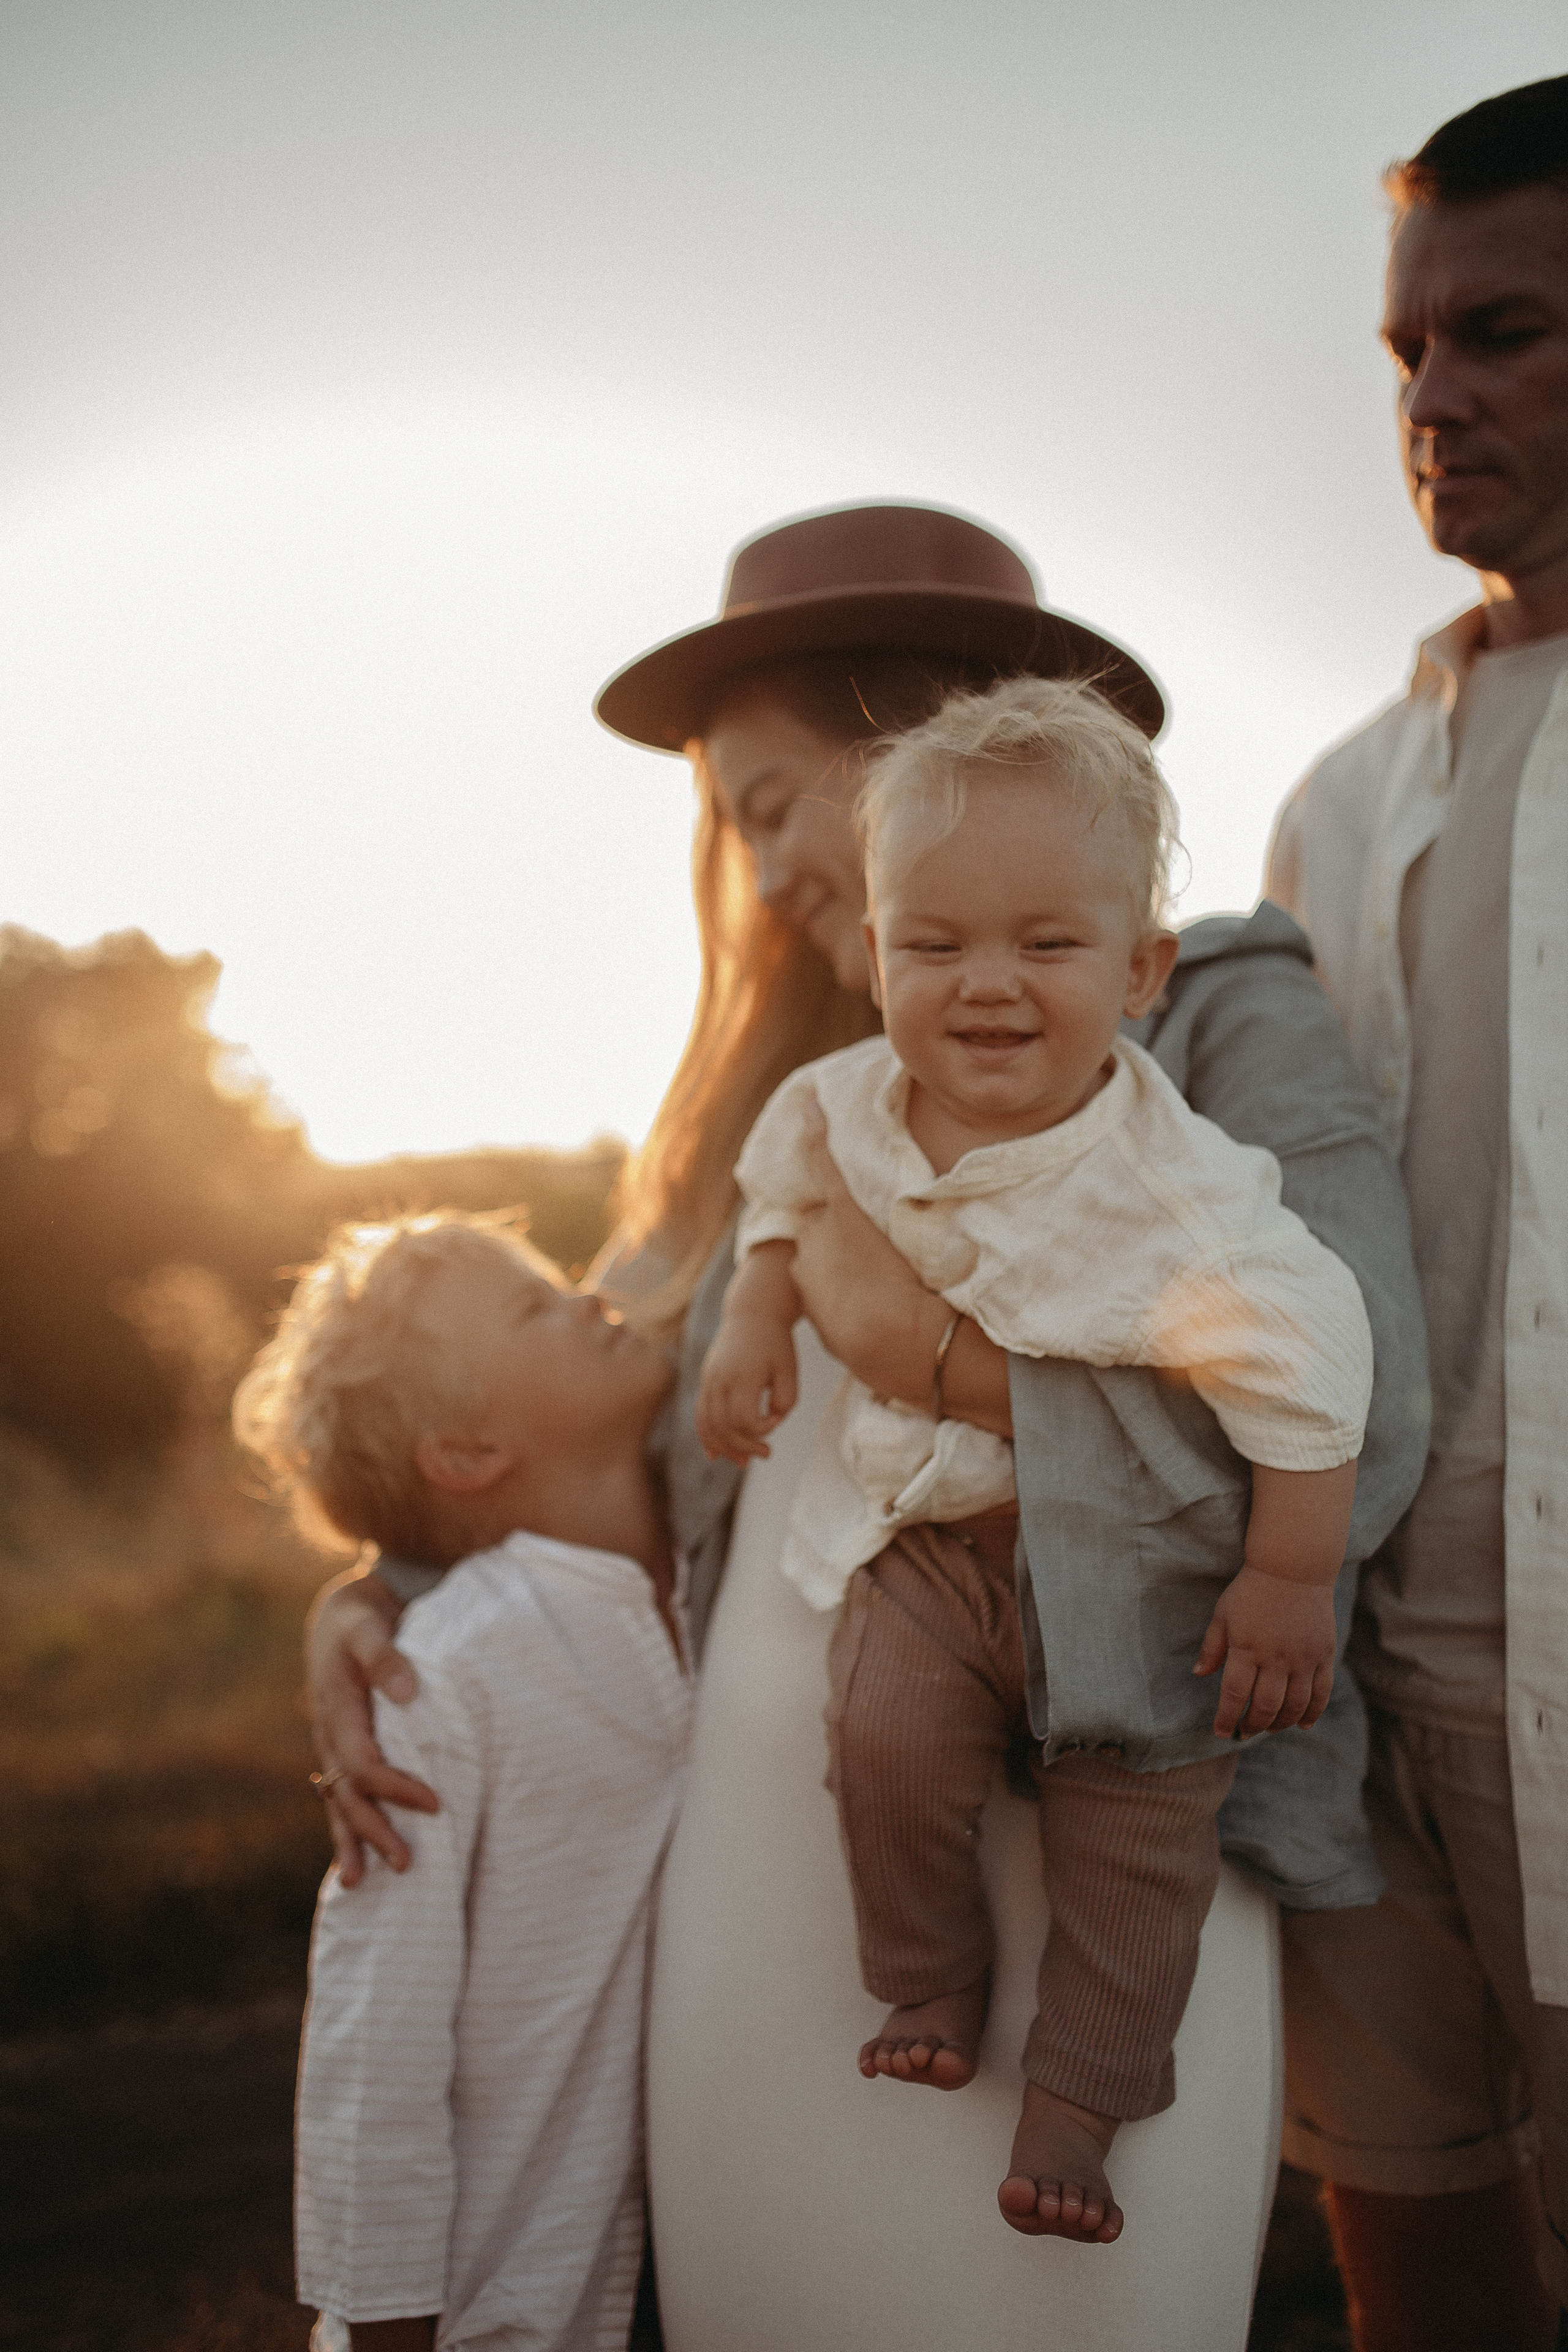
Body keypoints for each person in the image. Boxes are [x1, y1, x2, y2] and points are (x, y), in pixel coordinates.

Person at [304, 502, 1427, 2348]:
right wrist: (374, 1599)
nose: (756, 876)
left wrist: (928, 1364)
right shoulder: (772, 1115)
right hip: (773, 1868)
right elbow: (572, 1442)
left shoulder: (1207, 1004)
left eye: (765, 806)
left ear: (924, 746)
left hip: (1110, 1828)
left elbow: (1354, 1425)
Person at [697, 674, 1374, 2244]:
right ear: (874, 960)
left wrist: (1287, 1573)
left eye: (1046, 945)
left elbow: (1317, 1358)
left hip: (1142, 1582)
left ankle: (1078, 2103)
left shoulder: (1177, 1189)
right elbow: (782, 1183)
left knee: (1136, 1848)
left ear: (1142, 969)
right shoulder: (846, 1101)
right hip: (935, 1553)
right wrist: (752, 1313)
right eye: (933, 945)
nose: (983, 986)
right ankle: (925, 1968)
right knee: (875, 1738)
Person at [1264, 75, 1568, 2352]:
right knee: (1421, 2292)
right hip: (1351, 1691)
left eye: (1508, 333)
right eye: (1407, 355)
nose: (1437, 402)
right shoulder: (1339, 801)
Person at [234, 1215, 690, 2352]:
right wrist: (389, 2324)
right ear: (469, 1451)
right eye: (538, 1307)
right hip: (499, 2307)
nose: (595, 1300)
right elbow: (373, 2040)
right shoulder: (444, 1673)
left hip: (689, 2263)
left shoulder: (706, 1592)